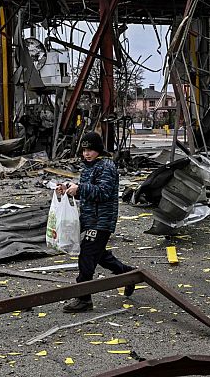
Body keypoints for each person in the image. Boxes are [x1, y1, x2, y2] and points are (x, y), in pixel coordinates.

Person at [56, 131, 135, 313]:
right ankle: (127, 274)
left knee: (87, 255)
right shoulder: (89, 168)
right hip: (90, 219)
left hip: (102, 220)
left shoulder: (106, 166)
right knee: (99, 254)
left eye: (90, 150)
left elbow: (104, 192)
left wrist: (80, 188)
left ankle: (84, 299)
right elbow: (88, 194)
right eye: (84, 150)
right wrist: (69, 189)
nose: (86, 154)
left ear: (98, 150)